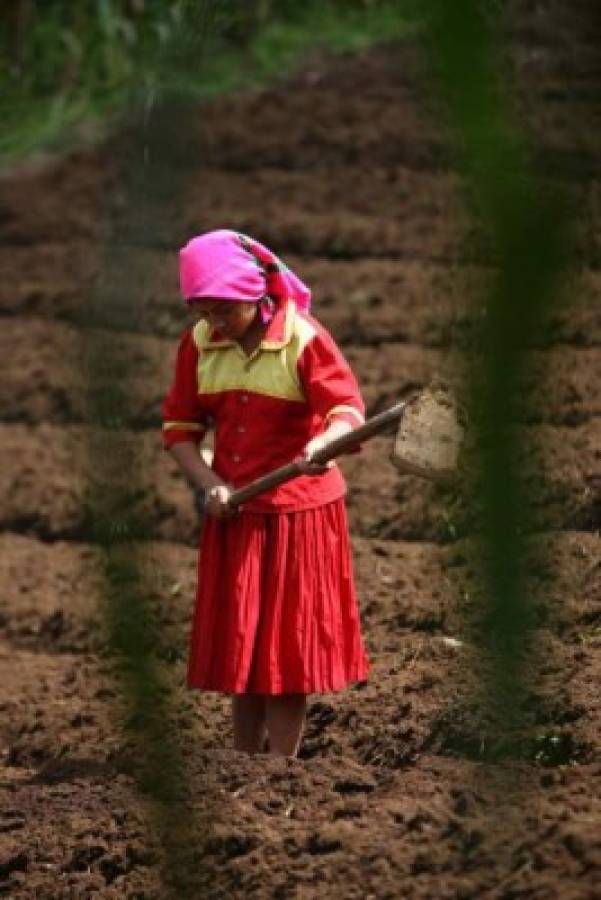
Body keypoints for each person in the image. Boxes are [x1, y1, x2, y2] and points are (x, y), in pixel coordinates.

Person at [162, 229, 369, 757]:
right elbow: (180, 432)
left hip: (299, 515)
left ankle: (280, 768)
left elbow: (347, 411)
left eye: (224, 311)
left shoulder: (302, 337)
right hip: (236, 513)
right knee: (242, 644)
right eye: (204, 311)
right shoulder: (200, 344)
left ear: (254, 296)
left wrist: (324, 442)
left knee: (286, 647)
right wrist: (210, 485)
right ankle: (242, 762)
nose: (215, 323)